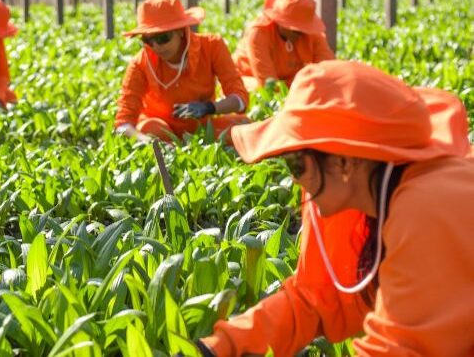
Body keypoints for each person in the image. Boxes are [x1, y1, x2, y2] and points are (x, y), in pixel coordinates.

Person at [197, 60, 474, 356]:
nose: (294, 181)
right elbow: (320, 299)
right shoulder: (379, 195)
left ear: (344, 162)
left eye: (296, 165)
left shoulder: (426, 208)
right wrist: (222, 346)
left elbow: (400, 349)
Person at [115, 0, 249, 142]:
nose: (156, 47)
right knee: (150, 128)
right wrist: (147, 142)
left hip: (201, 128)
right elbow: (123, 122)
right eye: (147, 40)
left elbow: (240, 98)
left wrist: (209, 107)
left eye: (162, 38)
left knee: (243, 125)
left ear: (180, 30)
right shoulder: (139, 63)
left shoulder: (212, 46)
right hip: (160, 132)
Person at [232, 0, 335, 90]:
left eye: (304, 29)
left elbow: (329, 70)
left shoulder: (311, 34)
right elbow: (268, 84)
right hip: (249, 79)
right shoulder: (259, 33)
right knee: (257, 89)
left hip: (290, 84)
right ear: (280, 21)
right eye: (297, 30)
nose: (302, 34)